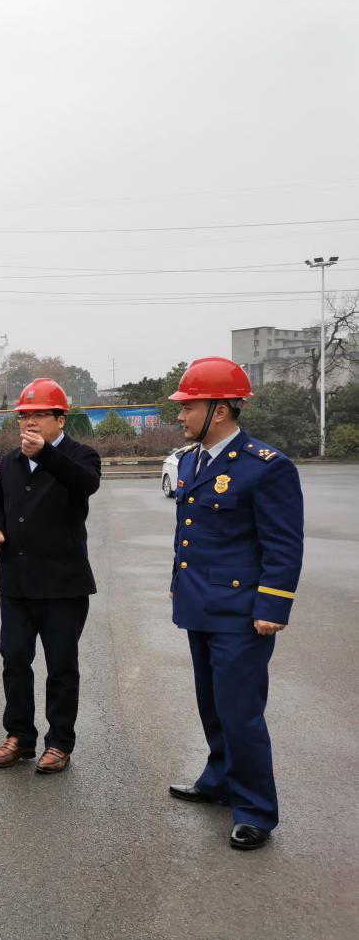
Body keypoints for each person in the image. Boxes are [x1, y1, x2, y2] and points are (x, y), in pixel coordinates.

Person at [165, 357, 303, 851]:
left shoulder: (266, 466)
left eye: (189, 406)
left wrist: (273, 606)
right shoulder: (190, 460)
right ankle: (219, 779)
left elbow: (283, 544)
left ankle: (256, 811)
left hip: (242, 613)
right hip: (200, 604)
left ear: (219, 410)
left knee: (241, 713)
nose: (180, 415)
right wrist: (179, 585)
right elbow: (190, 532)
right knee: (212, 704)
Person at [0, 378, 101, 774]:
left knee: (61, 666)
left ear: (60, 419)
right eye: (23, 416)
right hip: (16, 582)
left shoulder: (82, 456)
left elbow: (86, 484)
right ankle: (19, 736)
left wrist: (46, 454)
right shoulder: (10, 461)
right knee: (14, 658)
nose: (29, 422)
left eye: (38, 415)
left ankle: (59, 743)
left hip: (63, 585)